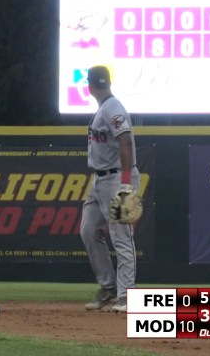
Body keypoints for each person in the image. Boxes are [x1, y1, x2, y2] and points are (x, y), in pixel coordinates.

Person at [80, 65, 140, 312]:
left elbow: (124, 141)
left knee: (121, 237)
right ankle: (108, 288)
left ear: (89, 87)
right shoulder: (104, 108)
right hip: (100, 181)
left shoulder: (113, 107)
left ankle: (127, 296)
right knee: (88, 230)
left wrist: (125, 183)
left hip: (117, 179)